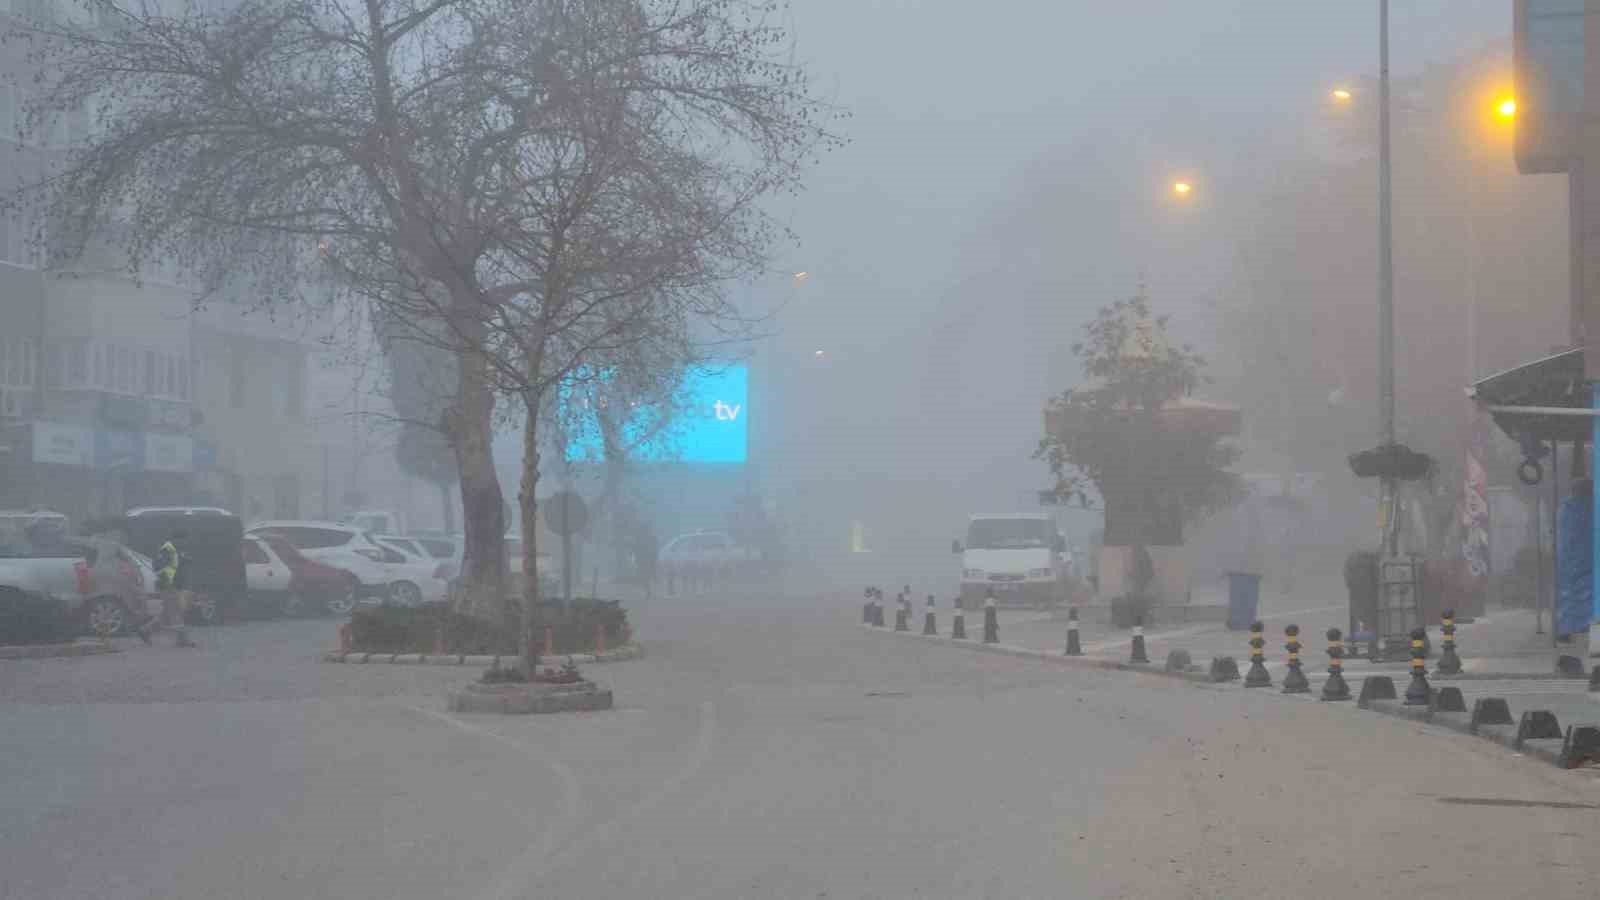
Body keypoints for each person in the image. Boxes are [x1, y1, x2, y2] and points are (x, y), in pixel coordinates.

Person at [140, 532, 196, 647]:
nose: (185, 543)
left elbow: (178, 566)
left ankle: (145, 630)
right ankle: (182, 639)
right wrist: (167, 581)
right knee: (176, 611)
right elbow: (158, 567)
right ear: (177, 539)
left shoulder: (176, 550)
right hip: (168, 586)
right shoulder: (167, 549)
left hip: (174, 585)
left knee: (166, 614)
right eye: (184, 540)